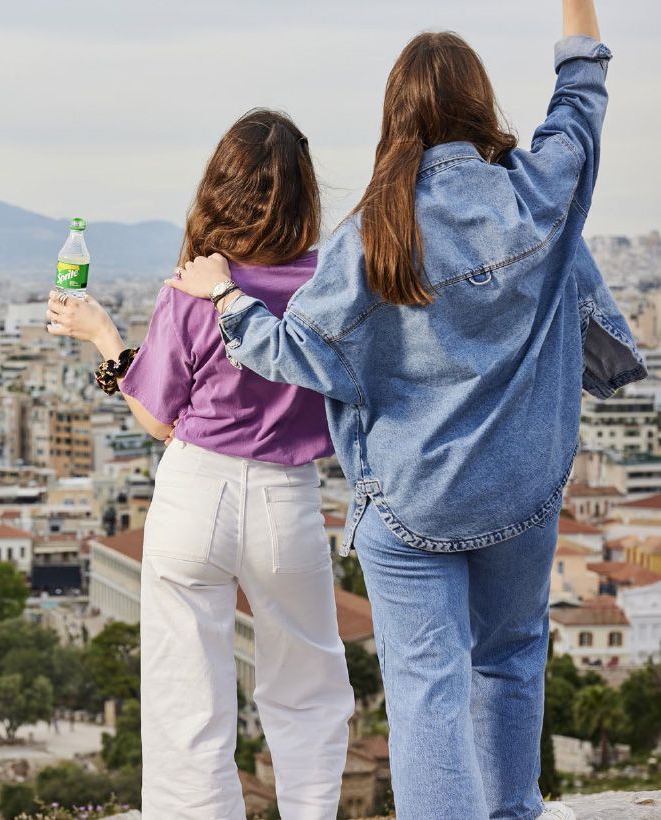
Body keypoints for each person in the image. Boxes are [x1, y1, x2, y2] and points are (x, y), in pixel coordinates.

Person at [164, 3, 645, 820]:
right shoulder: (540, 195)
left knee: (427, 690)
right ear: (480, 106)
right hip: (523, 490)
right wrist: (576, 7)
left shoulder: (372, 238)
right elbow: (581, 95)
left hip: (412, 501)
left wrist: (227, 299)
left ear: (396, 116)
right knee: (513, 657)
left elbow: (297, 354)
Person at [46, 109, 355, 820]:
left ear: (220, 188)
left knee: (187, 696)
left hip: (194, 492)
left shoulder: (193, 286)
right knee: (307, 686)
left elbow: (156, 417)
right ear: (305, 195)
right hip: (287, 501)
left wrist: (104, 339)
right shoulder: (331, 284)